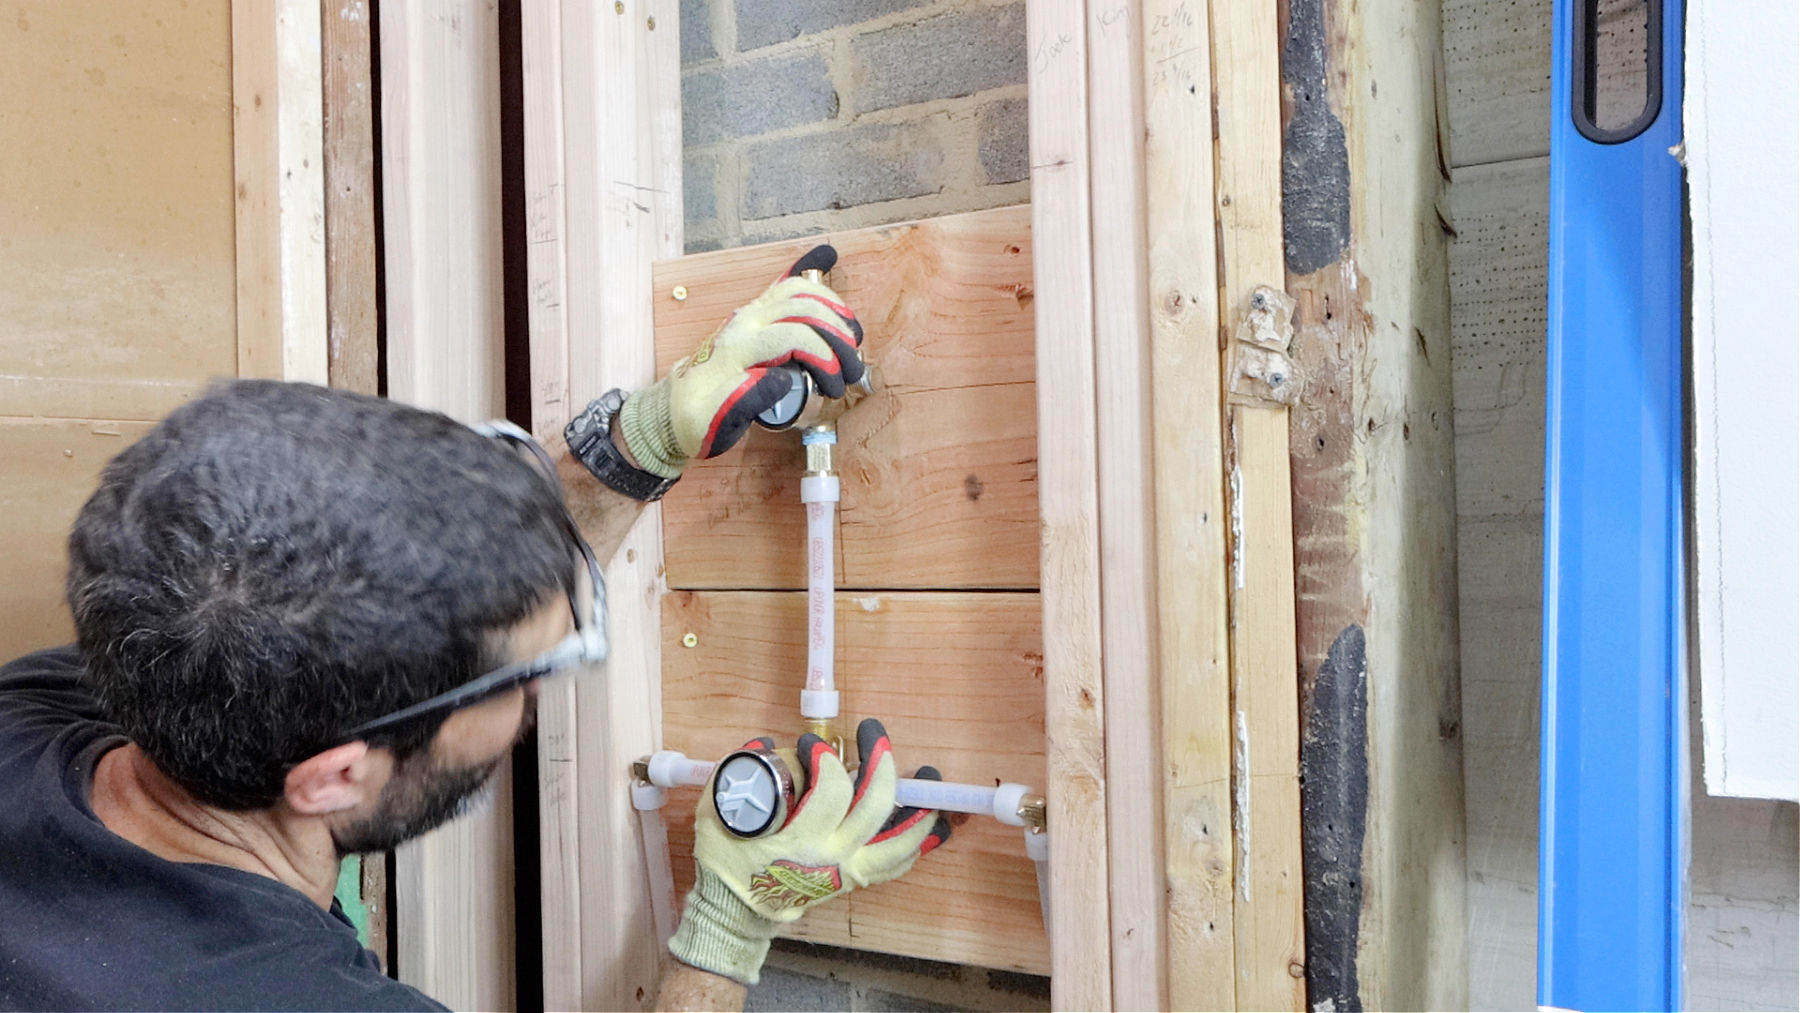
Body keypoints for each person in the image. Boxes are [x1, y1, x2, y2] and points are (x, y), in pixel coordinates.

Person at [0, 247, 948, 1011]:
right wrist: (728, 929)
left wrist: (638, 442)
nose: (536, 695)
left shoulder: (107, 684)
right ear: (334, 777)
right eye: (521, 682)